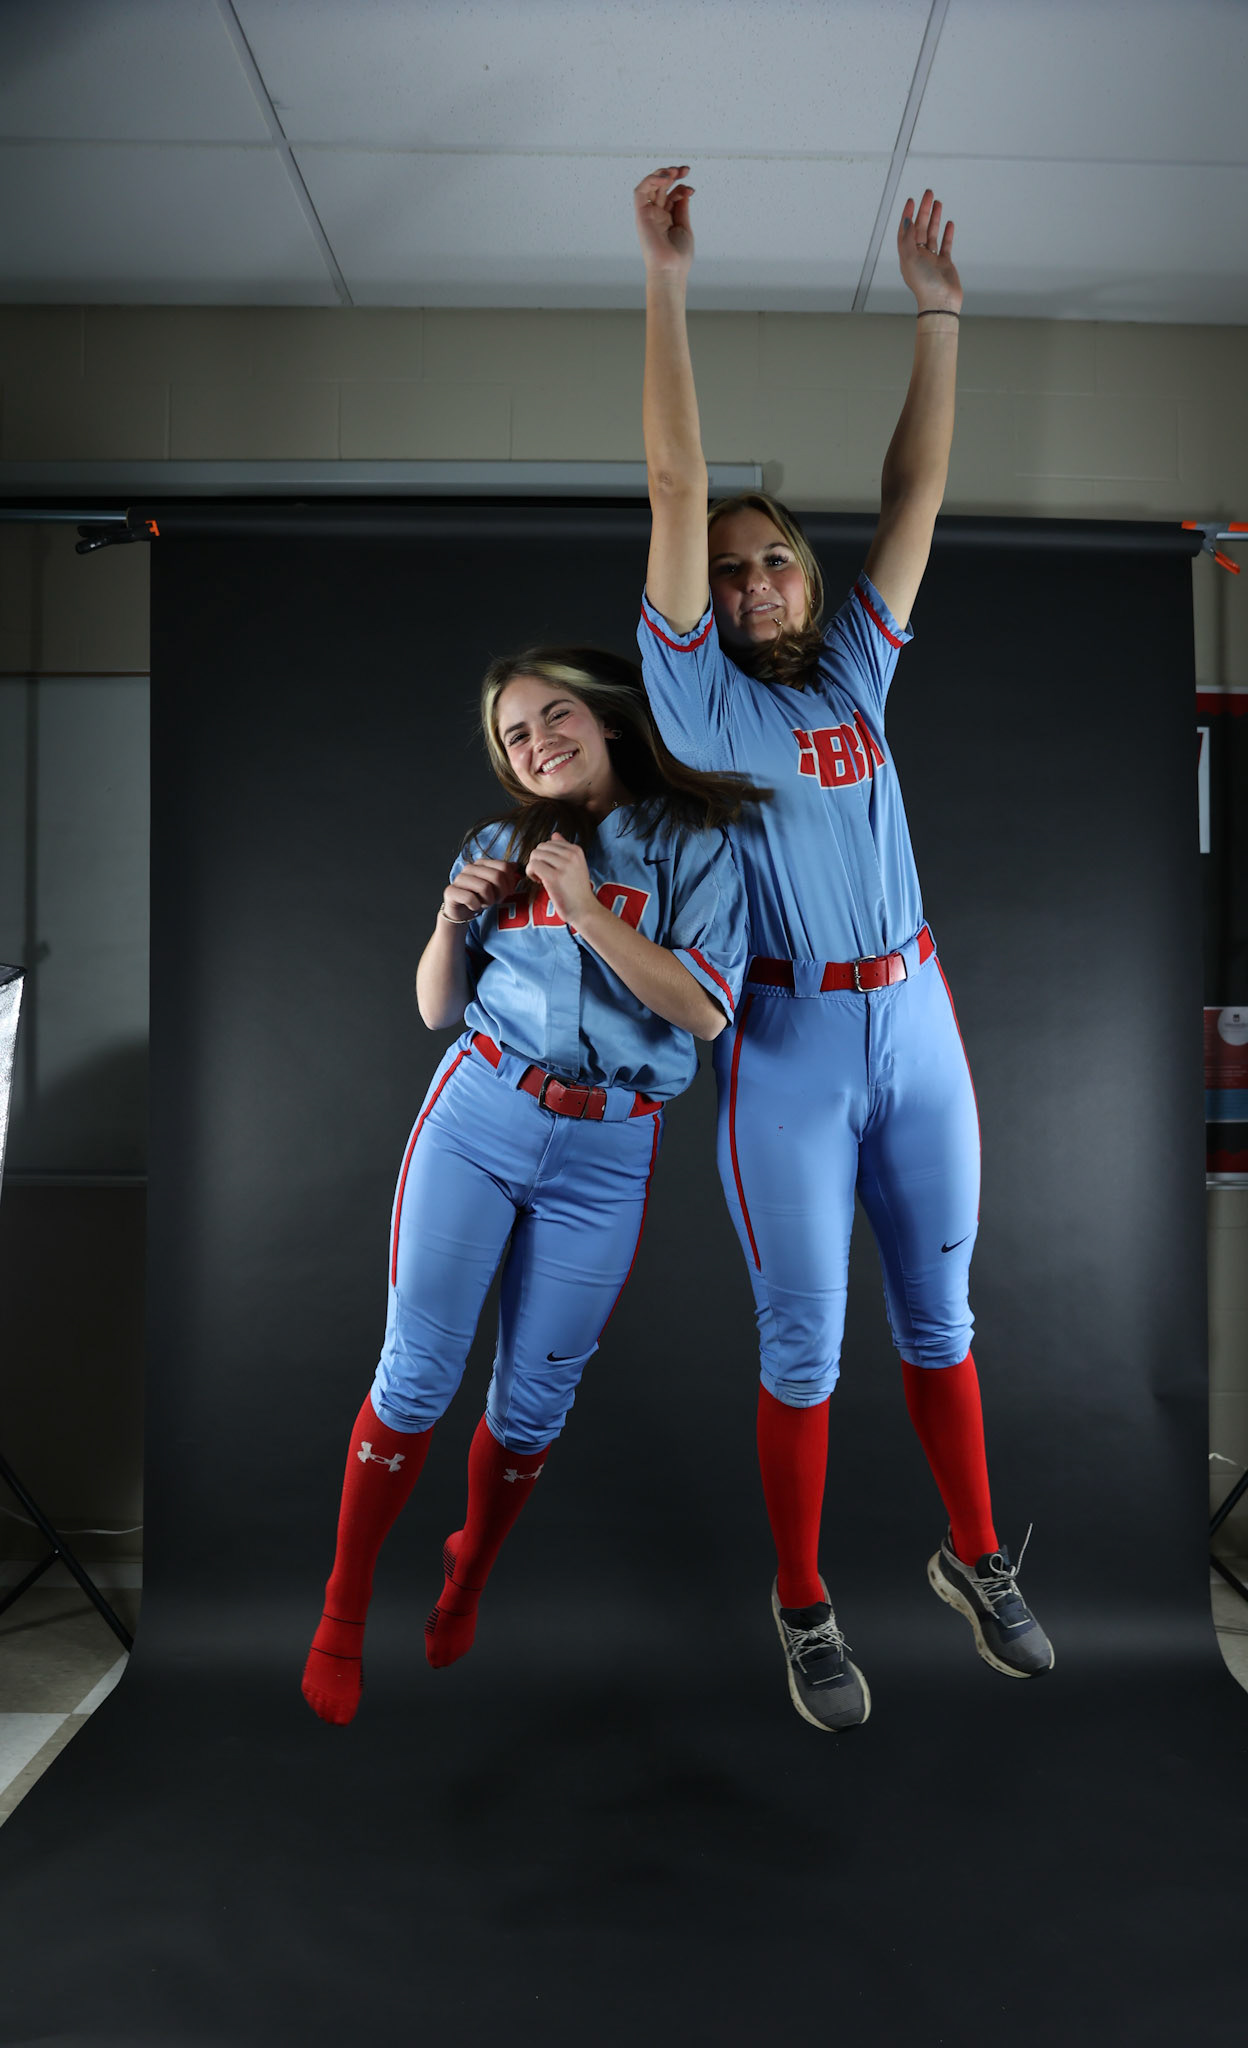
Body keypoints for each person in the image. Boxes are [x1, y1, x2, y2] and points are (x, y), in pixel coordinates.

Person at [633, 166, 1053, 1733]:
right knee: (805, 1337)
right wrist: (667, 283)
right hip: (791, 1051)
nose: (748, 579)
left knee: (939, 1319)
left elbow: (914, 503)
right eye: (730, 568)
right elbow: (679, 489)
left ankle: (972, 1561)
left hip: (918, 1023)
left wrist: (939, 317)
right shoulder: (700, 703)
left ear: (805, 580)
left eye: (772, 561)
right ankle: (804, 1606)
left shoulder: (854, 682)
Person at [302, 646, 753, 1725]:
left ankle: (466, 1575)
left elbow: (702, 1011)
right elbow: (432, 1007)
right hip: (484, 1110)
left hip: (608, 1147)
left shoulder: (697, 845)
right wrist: (451, 917)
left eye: (556, 715)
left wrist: (592, 910)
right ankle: (345, 1606)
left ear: (603, 720)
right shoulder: (497, 844)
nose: (538, 739)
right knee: (416, 1372)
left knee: (536, 1400)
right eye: (515, 733)